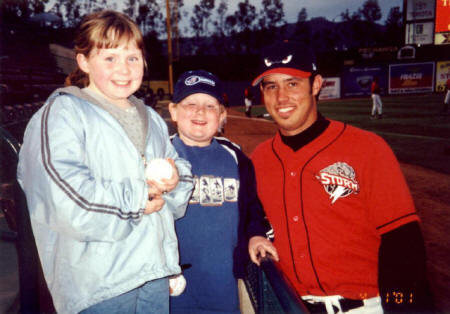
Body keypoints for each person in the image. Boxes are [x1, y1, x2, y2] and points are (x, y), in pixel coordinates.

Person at [17, 10, 193, 314]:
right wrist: (140, 196)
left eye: (132, 58)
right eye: (109, 58)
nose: (123, 69)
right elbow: (63, 200)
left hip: (152, 273)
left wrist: (175, 181)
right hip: (99, 284)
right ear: (84, 61)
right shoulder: (61, 115)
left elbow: (180, 182)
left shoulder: (150, 117)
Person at [250, 41, 433, 314]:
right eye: (271, 86)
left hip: (363, 307)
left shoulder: (367, 148)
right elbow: (250, 217)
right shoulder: (259, 159)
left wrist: (403, 308)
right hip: (292, 305)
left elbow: (403, 243)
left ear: (315, 85)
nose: (281, 98)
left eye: (293, 83)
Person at [167, 70, 278, 314]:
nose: (200, 112)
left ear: (222, 115)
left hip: (224, 284)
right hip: (170, 286)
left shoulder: (236, 158)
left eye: (210, 105)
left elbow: (251, 209)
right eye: (190, 104)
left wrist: (257, 233)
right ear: (173, 111)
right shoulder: (160, 155)